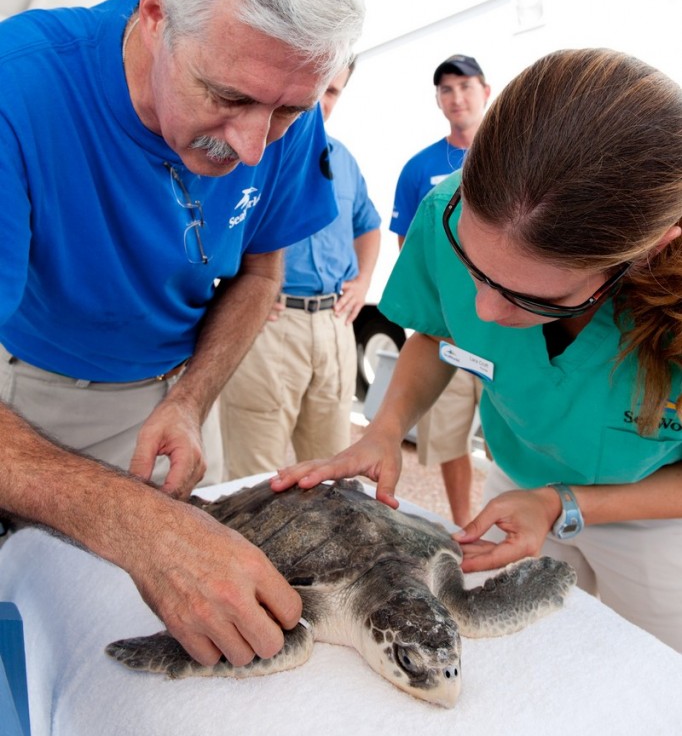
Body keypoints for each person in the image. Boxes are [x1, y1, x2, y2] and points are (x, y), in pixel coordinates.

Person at [0, 0, 371, 670]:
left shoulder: (280, 101)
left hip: (169, 397)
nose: (251, 145)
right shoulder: (17, 88)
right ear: (155, 7)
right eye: (226, 97)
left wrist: (192, 399)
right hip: (22, 403)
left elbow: (262, 273)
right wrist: (136, 523)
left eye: (288, 111)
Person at [273, 47, 682, 653]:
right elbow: (437, 334)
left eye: (534, 297)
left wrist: (565, 504)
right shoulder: (445, 210)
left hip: (652, 514)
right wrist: (385, 429)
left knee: (650, 676)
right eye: (472, 270)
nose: (485, 313)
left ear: (649, 251)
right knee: (517, 662)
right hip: (515, 486)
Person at [220, 61, 381, 476]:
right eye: (318, 87)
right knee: (252, 476)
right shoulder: (248, 153)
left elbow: (369, 226)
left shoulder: (344, 160)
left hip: (334, 328)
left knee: (330, 473)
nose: (320, 101)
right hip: (269, 328)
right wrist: (232, 288)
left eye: (333, 92)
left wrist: (363, 281)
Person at [389, 55, 490, 524]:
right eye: (446, 89)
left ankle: (512, 517)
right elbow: (410, 250)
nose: (457, 97)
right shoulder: (419, 169)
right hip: (450, 333)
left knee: (510, 438)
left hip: (511, 329)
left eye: (465, 86)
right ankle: (463, 524)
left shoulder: (510, 154)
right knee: (450, 438)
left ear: (485, 91)